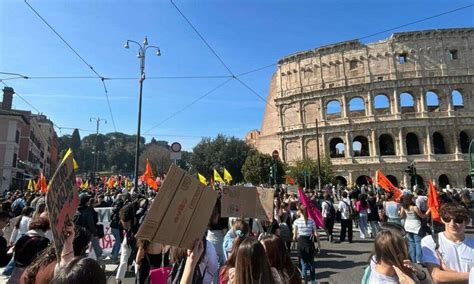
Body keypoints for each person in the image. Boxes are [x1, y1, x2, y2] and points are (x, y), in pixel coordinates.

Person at [421, 202, 474, 283]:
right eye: (447, 219)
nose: (452, 224)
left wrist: (447, 272)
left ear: (466, 222)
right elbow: (437, 277)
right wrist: (471, 276)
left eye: (458, 220)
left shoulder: (472, 244)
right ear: (442, 219)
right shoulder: (431, 241)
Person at [400, 194, 430, 263]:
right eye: (413, 199)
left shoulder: (403, 207)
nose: (414, 200)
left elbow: (401, 216)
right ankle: (418, 259)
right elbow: (423, 216)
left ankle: (413, 259)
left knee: (411, 243)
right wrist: (429, 210)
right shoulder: (414, 208)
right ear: (410, 200)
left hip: (407, 226)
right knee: (418, 242)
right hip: (416, 226)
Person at [293, 206, 319, 283]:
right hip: (310, 242)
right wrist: (319, 245)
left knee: (303, 264)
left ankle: (304, 281)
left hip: (301, 243)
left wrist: (294, 243)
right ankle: (313, 280)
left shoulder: (296, 221)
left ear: (300, 211)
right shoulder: (311, 221)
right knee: (311, 263)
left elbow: (294, 235)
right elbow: (316, 234)